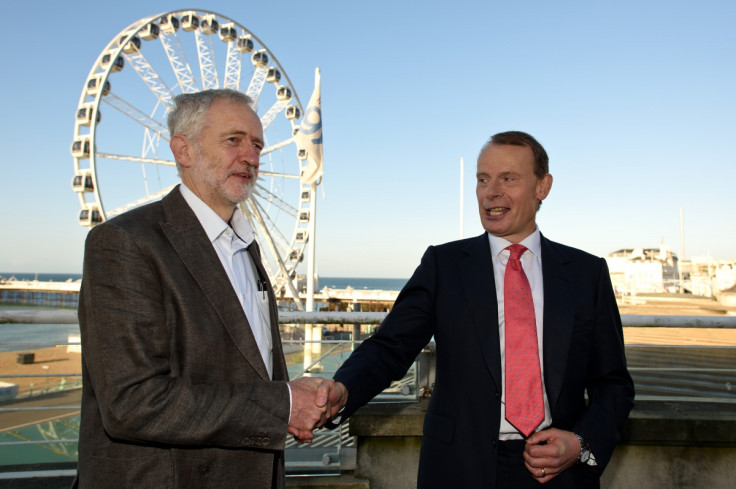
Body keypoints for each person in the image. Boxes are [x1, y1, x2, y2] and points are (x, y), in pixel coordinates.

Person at [325, 131, 635, 488]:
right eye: (483, 179)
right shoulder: (444, 265)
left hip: (559, 473)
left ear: (542, 186)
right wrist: (342, 390)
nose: (491, 192)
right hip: (459, 468)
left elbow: (613, 384)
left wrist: (580, 443)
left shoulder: (586, 274)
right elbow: (390, 347)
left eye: (509, 178)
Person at [75, 89, 337, 489]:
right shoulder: (124, 243)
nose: (251, 157)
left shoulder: (248, 249)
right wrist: (284, 404)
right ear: (183, 150)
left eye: (257, 145)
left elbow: (252, 369)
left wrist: (309, 400)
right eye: (233, 140)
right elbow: (131, 402)